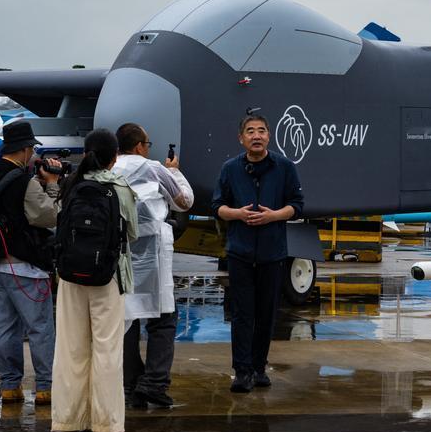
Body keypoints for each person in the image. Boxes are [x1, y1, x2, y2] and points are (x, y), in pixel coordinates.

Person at [51, 129, 138, 432]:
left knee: (69, 348)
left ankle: (66, 421)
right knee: (107, 350)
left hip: (70, 276)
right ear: (114, 157)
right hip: (108, 276)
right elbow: (132, 233)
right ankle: (107, 424)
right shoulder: (120, 187)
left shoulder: (70, 185)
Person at [210, 114, 304, 394]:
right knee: (242, 314)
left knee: (266, 314)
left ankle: (259, 367)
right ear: (241, 138)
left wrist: (275, 216)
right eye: (250, 131)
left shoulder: (285, 167)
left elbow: (296, 205)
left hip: (272, 253)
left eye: (261, 131)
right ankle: (241, 371)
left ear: (269, 136)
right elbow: (217, 206)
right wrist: (236, 214)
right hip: (240, 253)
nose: (256, 135)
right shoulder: (230, 169)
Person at [114, 123, 193, 409]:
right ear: (138, 146)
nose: (149, 148)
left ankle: (131, 383)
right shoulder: (153, 168)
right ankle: (155, 382)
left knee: (127, 318)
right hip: (154, 252)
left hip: (122, 253)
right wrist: (175, 171)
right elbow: (184, 201)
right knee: (164, 318)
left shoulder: (110, 170)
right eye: (147, 143)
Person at [0, 121, 61, 406]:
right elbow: (48, 216)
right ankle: (45, 387)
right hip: (25, 266)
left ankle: (9, 386)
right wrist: (52, 186)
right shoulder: (23, 180)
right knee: (40, 327)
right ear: (26, 149)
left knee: (5, 327)